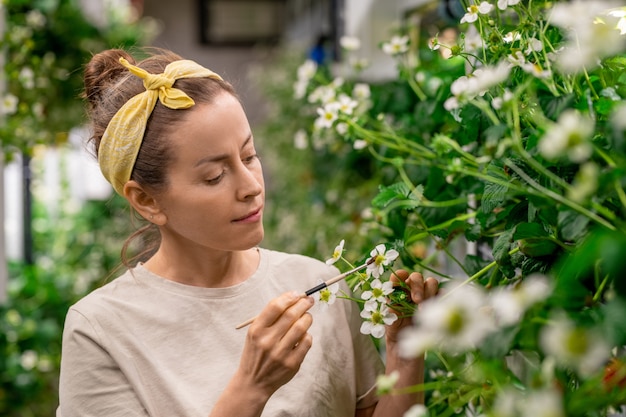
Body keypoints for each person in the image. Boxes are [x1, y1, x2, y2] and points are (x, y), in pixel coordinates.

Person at [56, 47, 439, 417]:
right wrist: (251, 388)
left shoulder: (322, 284)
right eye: (215, 176)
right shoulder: (99, 330)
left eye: (249, 156)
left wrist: (405, 359)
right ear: (146, 201)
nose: (251, 186)